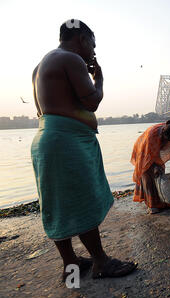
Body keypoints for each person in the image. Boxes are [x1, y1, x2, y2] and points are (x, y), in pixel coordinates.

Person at [31, 19, 137, 282]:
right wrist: (98, 78)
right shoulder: (71, 58)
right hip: (67, 142)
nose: (93, 51)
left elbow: (45, 109)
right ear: (82, 38)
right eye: (93, 44)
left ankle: (71, 263)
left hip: (47, 139)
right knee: (82, 199)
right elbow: (91, 102)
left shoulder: (41, 65)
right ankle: (101, 262)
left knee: (57, 204)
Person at [131, 120, 170, 214]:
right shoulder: (152, 135)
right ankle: (152, 205)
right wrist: (155, 167)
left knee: (159, 176)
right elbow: (149, 155)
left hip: (155, 153)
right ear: (164, 135)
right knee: (148, 177)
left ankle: (162, 201)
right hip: (143, 151)